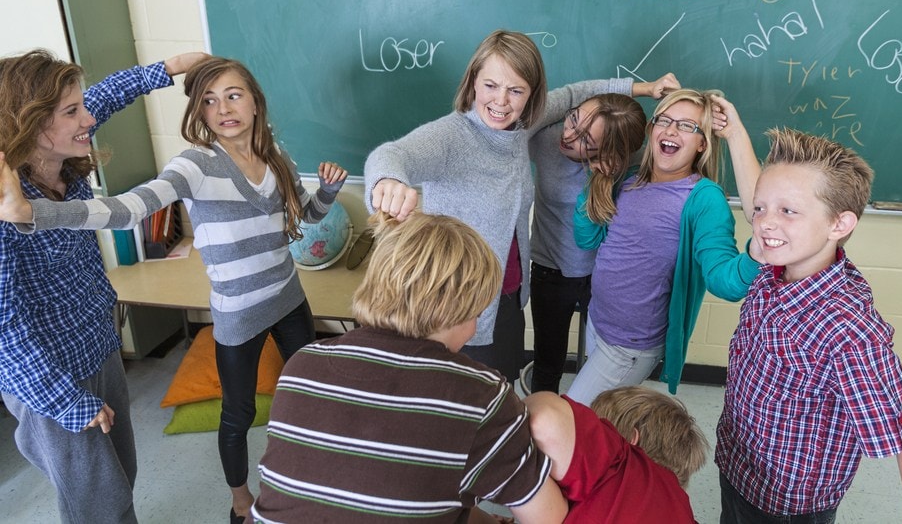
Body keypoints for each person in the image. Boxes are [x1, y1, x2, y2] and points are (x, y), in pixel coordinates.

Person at [0, 57, 348, 523]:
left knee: (313, 393)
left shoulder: (276, 157)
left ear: (256, 102)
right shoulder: (195, 165)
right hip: (79, 363)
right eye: (208, 99)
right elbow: (128, 210)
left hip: (279, 298)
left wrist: (168, 67)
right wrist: (32, 214)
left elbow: (306, 214)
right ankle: (240, 502)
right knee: (230, 419)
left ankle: (320, 478)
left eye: (234, 94)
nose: (223, 108)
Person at [366, 28, 678, 383]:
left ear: (532, 96)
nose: (501, 101)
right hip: (459, 300)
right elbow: (394, 154)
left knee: (503, 384)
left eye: (515, 90)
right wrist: (386, 180)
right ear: (472, 83)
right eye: (490, 86)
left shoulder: (522, 128)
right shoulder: (451, 136)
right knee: (469, 393)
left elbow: (576, 94)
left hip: (509, 294)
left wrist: (642, 89)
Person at [250, 211, 567, 524]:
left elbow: (403, 489)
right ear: (456, 311)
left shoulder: (302, 364)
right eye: (478, 313)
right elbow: (550, 517)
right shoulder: (482, 396)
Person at [0, 48, 206, 524]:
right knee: (98, 504)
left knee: (122, 473)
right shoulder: (7, 207)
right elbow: (4, 329)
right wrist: (65, 400)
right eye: (71, 111)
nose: (88, 118)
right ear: (29, 124)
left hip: (98, 346)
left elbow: (104, 98)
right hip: (52, 378)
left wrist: (168, 69)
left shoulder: (62, 165)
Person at [715, 128, 902, 523]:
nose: (766, 223)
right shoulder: (773, 267)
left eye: (788, 211)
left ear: (839, 224)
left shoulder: (847, 329)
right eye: (759, 208)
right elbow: (768, 196)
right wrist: (736, 134)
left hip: (786, 505)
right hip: (739, 466)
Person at [567, 89, 763, 404]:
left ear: (702, 143)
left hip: (629, 345)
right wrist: (595, 186)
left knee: (574, 419)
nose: (671, 130)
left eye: (687, 126)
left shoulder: (704, 199)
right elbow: (586, 239)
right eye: (665, 120)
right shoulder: (628, 181)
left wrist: (759, 254)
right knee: (604, 421)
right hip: (599, 322)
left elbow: (725, 282)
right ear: (652, 129)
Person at [526, 92, 652, 393]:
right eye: (573, 119)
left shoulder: (635, 163)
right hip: (551, 268)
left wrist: (603, 181)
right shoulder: (545, 139)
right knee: (548, 361)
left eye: (586, 140)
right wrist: (639, 86)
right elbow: (543, 102)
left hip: (604, 275)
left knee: (604, 359)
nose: (568, 136)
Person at [524, 385, 707, 522]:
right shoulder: (678, 505)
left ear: (630, 441)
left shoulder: (624, 479)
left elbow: (543, 416)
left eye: (601, 427)